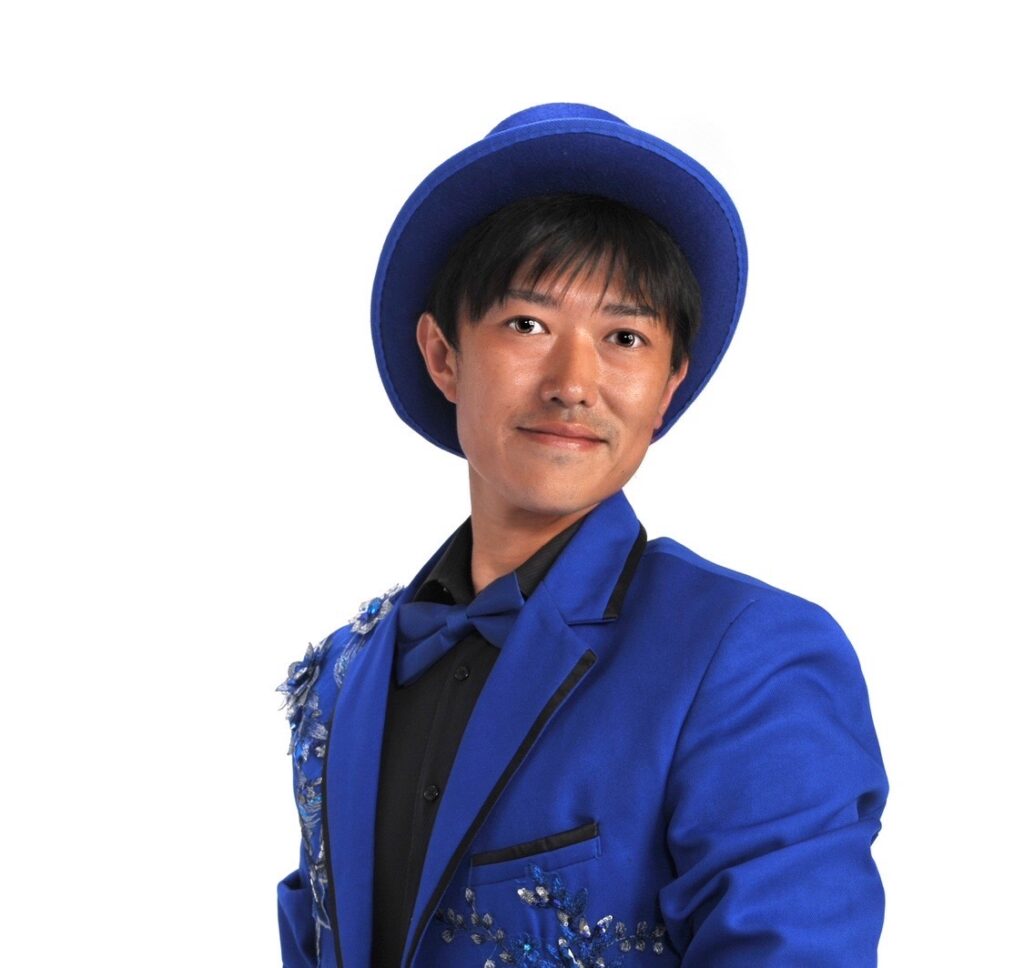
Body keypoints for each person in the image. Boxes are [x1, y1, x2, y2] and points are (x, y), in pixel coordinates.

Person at [276, 103, 888, 968]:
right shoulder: (346, 674)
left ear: (667, 386)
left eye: (625, 337)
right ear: (444, 356)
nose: (573, 382)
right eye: (527, 325)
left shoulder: (749, 656)